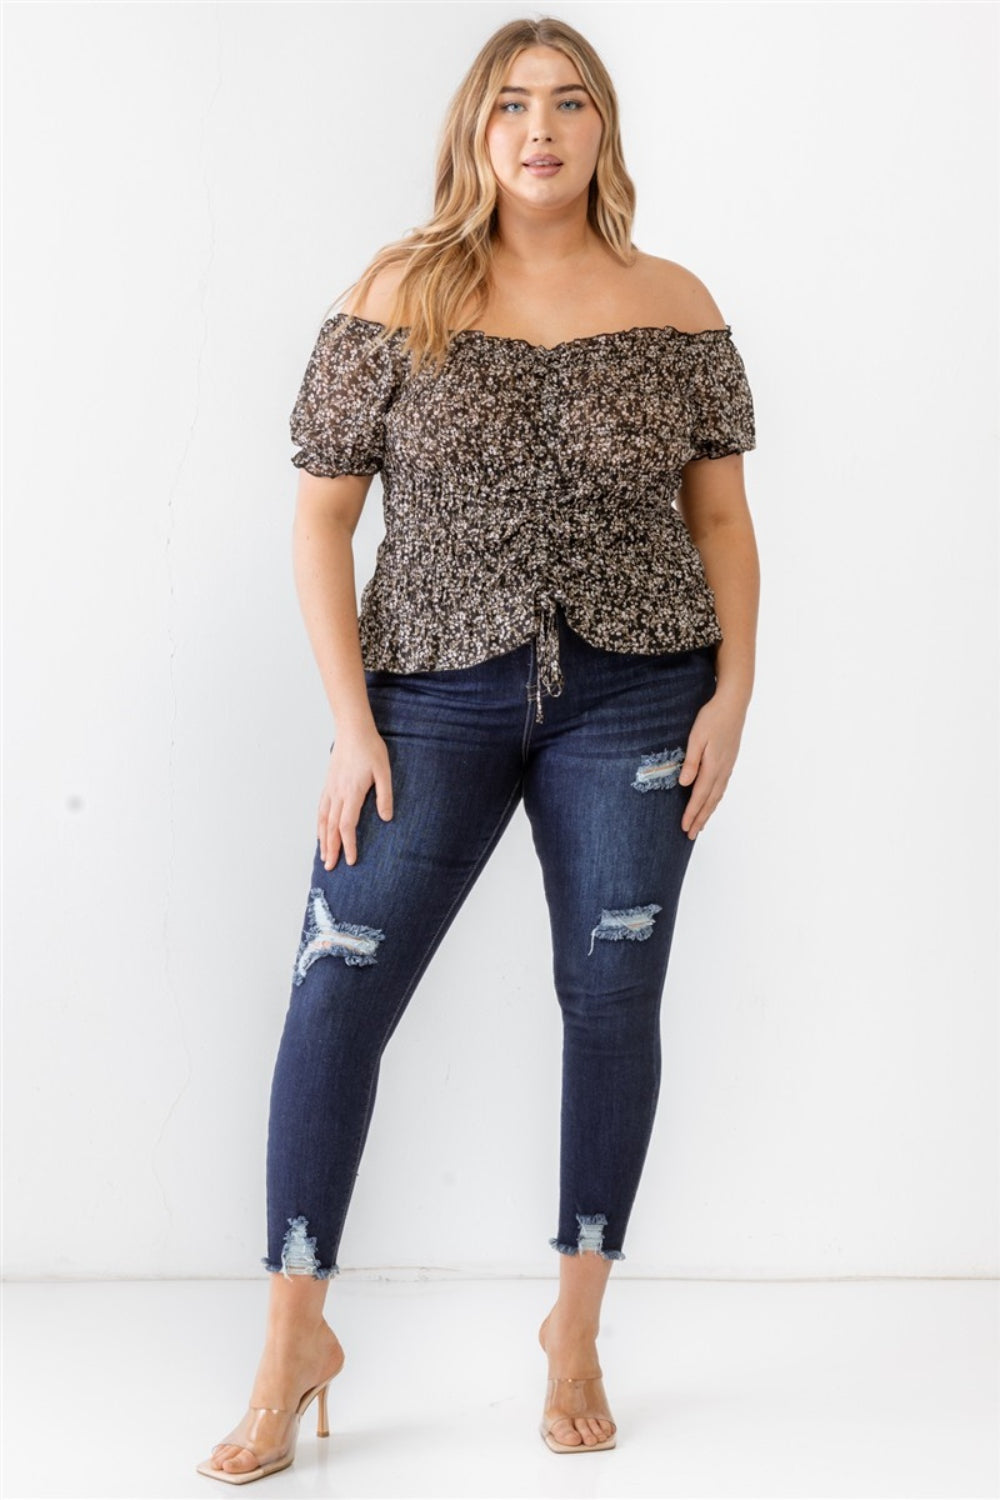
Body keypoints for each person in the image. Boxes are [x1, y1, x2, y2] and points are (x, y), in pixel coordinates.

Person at [196, 13, 759, 1483]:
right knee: (336, 991)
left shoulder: (677, 304)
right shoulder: (397, 297)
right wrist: (349, 725)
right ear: (474, 130)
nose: (541, 129)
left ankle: (573, 1328)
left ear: (603, 131)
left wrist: (732, 699)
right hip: (427, 697)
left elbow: (722, 524)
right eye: (513, 105)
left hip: (640, 695)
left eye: (570, 104)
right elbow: (322, 519)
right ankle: (290, 1339)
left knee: (612, 995)